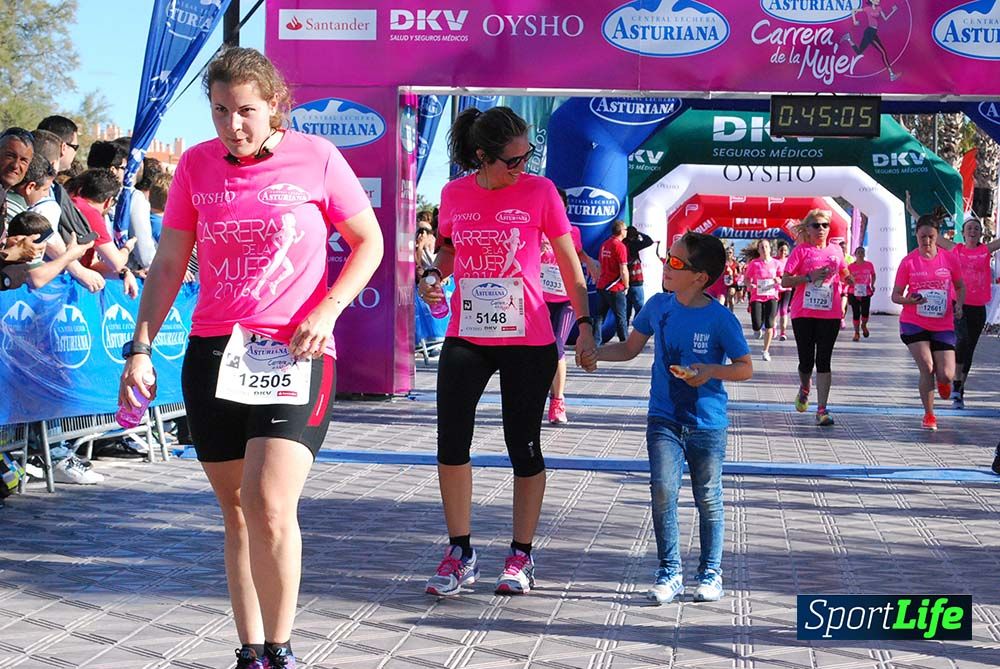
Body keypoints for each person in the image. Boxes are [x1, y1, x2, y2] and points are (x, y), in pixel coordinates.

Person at [117, 47, 383, 669]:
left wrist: (329, 308)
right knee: (236, 511)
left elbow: (368, 241)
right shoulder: (196, 166)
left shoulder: (317, 157)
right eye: (219, 111)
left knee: (269, 502)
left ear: (275, 107)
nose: (232, 126)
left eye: (246, 112)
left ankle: (283, 648)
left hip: (295, 351)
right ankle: (251, 650)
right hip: (215, 352)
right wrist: (140, 346)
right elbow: (167, 264)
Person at [417, 105, 596, 598]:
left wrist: (584, 325)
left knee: (525, 446)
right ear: (483, 156)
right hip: (467, 334)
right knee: (451, 444)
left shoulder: (540, 192)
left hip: (530, 338)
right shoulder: (454, 194)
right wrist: (434, 276)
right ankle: (460, 553)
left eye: (527, 157)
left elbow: (569, 263)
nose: (524, 167)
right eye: (513, 161)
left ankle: (521, 555)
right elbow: (449, 251)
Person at [591, 232, 752, 605]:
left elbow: (745, 369)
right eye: (668, 258)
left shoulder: (721, 319)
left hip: (707, 424)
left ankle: (711, 572)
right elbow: (631, 349)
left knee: (707, 498)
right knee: (663, 491)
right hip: (662, 418)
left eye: (677, 263)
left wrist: (710, 370)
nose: (667, 266)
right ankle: (670, 571)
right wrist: (594, 353)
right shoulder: (657, 306)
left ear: (700, 277)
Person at [891, 216, 965, 430]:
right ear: (916, 236)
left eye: (931, 237)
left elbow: (960, 286)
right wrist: (910, 300)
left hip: (943, 324)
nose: (927, 241)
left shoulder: (949, 259)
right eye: (922, 237)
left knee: (946, 373)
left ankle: (944, 381)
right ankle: (929, 415)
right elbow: (896, 296)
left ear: (938, 236)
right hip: (914, 322)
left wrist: (959, 304)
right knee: (927, 367)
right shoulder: (909, 262)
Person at [781, 210, 853, 426]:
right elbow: (785, 281)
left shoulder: (835, 251)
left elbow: (843, 270)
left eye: (824, 225)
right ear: (808, 229)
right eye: (816, 225)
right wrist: (807, 277)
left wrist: (849, 277)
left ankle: (822, 409)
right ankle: (804, 387)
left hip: (829, 313)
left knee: (823, 360)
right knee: (806, 361)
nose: (821, 229)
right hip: (803, 312)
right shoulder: (801, 251)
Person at [543, 187, 599, 425]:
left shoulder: (572, 231)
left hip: (564, 298)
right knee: (537, 350)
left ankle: (558, 401)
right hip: (539, 297)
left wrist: (589, 261)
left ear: (564, 207)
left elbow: (577, 252)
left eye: (558, 203)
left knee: (556, 345)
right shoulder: (534, 230)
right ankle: (537, 396)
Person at [935, 217, 1000, 409]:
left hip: (979, 307)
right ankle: (955, 383)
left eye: (976, 228)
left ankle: (959, 389)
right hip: (959, 304)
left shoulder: (985, 250)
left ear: (981, 233)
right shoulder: (956, 249)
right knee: (961, 340)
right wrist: (912, 210)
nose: (973, 231)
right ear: (963, 233)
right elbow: (933, 234)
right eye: (969, 228)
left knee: (969, 348)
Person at [842, 0, 901, 82]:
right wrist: (854, 21)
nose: (878, 0)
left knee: (859, 52)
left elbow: (885, 18)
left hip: (873, 32)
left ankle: (848, 38)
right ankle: (891, 74)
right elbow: (853, 10)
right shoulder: (867, 8)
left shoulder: (879, 8)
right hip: (869, 32)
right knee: (883, 52)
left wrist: (893, 11)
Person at [742, 239, 781, 361]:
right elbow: (747, 278)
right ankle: (757, 329)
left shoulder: (776, 263)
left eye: (766, 247)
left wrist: (778, 280)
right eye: (762, 247)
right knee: (757, 324)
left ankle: (765, 351)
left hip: (772, 296)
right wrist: (749, 285)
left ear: (770, 249)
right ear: (758, 250)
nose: (764, 249)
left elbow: (782, 277)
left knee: (769, 324)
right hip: (757, 296)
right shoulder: (754, 264)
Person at [595, 220, 629, 343]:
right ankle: (625, 343)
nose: (627, 232)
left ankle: (595, 342)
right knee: (621, 317)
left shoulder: (605, 244)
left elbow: (600, 265)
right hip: (615, 287)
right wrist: (626, 285)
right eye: (625, 229)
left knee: (599, 317)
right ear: (621, 231)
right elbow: (623, 269)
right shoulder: (620, 246)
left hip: (602, 285)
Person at [623, 225, 655, 326]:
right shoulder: (634, 245)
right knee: (640, 307)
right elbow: (649, 241)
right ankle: (637, 326)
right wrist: (639, 233)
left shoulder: (623, 244)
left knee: (626, 308)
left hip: (625, 281)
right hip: (636, 280)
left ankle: (624, 330)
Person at [847, 246, 876, 342]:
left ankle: (864, 325)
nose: (860, 254)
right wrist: (850, 282)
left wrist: (872, 284)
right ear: (855, 254)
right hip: (853, 292)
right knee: (856, 313)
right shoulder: (850, 266)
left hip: (866, 291)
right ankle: (856, 333)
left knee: (865, 313)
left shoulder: (869, 265)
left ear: (864, 254)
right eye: (858, 252)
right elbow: (846, 278)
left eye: (862, 252)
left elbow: (873, 274)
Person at [774, 240, 792, 340]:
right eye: (781, 250)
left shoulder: (790, 260)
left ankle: (783, 332)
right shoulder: (773, 260)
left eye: (785, 250)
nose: (783, 252)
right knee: (774, 312)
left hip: (786, 288)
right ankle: (773, 327)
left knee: (783, 310)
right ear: (778, 250)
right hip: (775, 289)